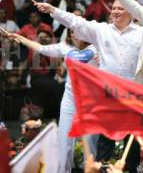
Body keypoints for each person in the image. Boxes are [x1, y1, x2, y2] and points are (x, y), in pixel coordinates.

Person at [34, 0, 143, 172]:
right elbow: (77, 22)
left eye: (120, 8)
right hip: (107, 98)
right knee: (104, 148)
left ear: (130, 12)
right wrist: (53, 10)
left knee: (132, 151)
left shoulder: (142, 33)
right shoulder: (103, 30)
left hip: (131, 98)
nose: (115, 11)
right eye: (113, 8)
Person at [7, 29, 97, 173]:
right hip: (70, 97)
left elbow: (83, 58)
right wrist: (20, 38)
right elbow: (42, 48)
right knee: (64, 141)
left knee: (90, 143)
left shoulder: (95, 47)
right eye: (71, 31)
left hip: (91, 99)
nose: (74, 34)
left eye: (77, 30)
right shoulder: (65, 46)